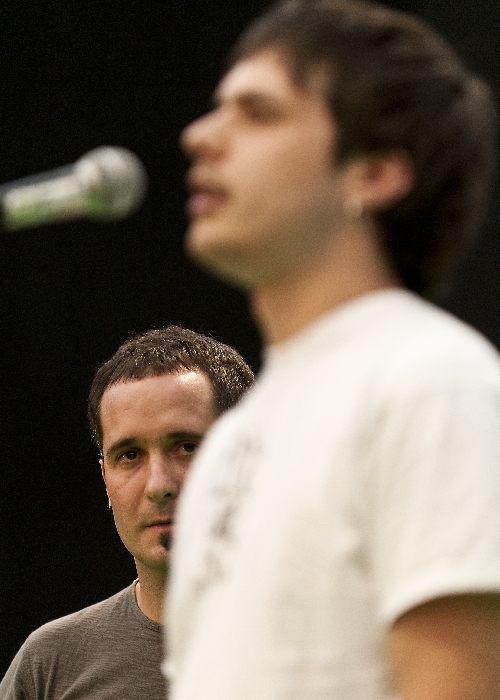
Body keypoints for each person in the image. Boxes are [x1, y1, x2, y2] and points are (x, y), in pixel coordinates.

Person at [165, 1, 500, 699]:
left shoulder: (433, 382)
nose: (200, 136)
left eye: (259, 113)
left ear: (372, 173)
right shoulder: (233, 440)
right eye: (217, 108)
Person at [0, 326, 254, 700]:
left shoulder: (328, 639)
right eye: (129, 455)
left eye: (186, 447)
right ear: (105, 479)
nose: (158, 485)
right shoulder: (49, 666)